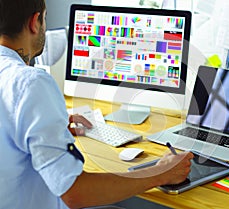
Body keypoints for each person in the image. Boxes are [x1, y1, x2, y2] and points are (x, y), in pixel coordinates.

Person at [0, 1, 194, 209]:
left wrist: (51, 131)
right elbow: (74, 192)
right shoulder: (31, 83)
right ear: (34, 22)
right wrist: (160, 172)